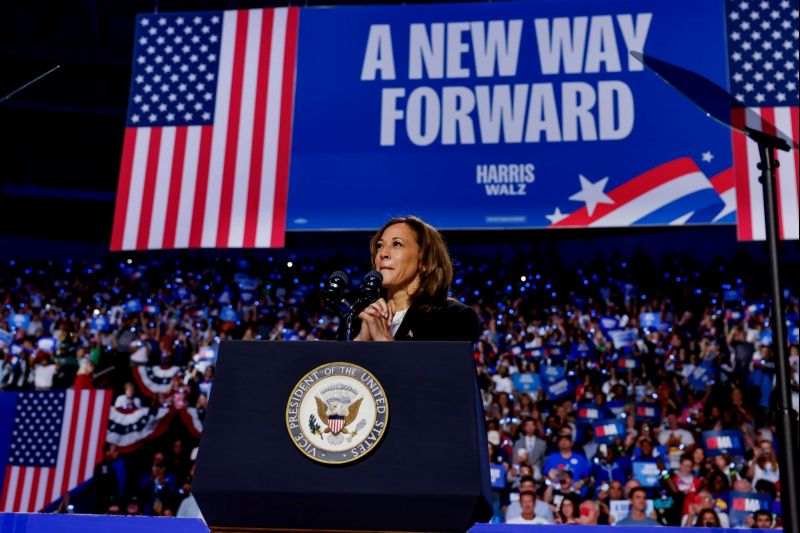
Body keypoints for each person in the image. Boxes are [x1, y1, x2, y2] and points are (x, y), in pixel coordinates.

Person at [354, 216, 479, 342]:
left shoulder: (454, 317)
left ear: (425, 260)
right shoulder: (358, 318)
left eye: (397, 244)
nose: (382, 253)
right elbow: (339, 361)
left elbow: (443, 362)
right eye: (380, 246)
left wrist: (384, 342)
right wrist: (360, 342)